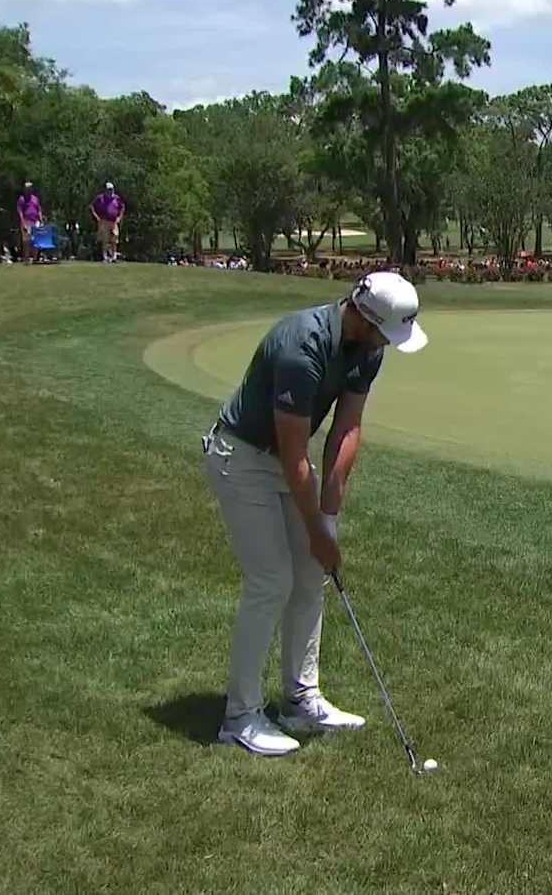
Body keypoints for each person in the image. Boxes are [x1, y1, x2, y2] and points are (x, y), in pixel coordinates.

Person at [202, 271, 429, 757]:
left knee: (310, 574)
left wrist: (329, 513)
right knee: (271, 580)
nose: (387, 344)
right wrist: (317, 532)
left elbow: (347, 428)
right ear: (364, 318)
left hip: (286, 459)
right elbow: (290, 455)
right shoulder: (301, 347)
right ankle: (239, 716)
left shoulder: (369, 347)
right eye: (386, 334)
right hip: (241, 456)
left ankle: (299, 698)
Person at [90, 182, 125, 263]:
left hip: (113, 221)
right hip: (104, 221)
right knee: (105, 239)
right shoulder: (100, 198)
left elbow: (122, 207)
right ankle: (105, 257)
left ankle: (114, 256)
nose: (110, 191)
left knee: (114, 238)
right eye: (108, 189)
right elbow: (92, 206)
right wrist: (97, 218)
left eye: (111, 189)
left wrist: (119, 217)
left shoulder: (116, 198)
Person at [16, 182, 43, 264]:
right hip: (26, 221)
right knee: (26, 241)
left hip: (35, 221)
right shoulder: (21, 199)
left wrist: (41, 219)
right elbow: (20, 211)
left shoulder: (35, 198)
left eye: (30, 188)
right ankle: (26, 258)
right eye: (27, 188)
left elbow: (39, 209)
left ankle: (35, 258)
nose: (28, 189)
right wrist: (23, 222)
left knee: (36, 241)